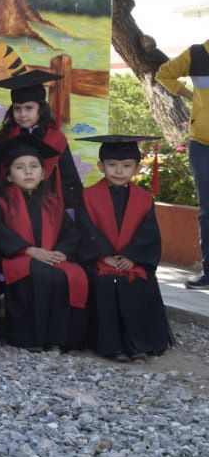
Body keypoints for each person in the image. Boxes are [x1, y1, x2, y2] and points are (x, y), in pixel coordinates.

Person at [0, 134, 88, 351]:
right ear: (9, 176)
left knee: (68, 275)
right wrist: (30, 251)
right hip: (15, 258)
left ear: (43, 174)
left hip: (50, 256)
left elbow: (69, 233)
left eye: (34, 166)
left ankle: (59, 339)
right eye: (20, 167)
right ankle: (30, 338)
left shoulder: (52, 202)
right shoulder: (0, 201)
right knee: (41, 273)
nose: (28, 171)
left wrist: (61, 252)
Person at [77, 135, 172, 361]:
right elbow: (85, 230)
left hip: (132, 262)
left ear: (137, 168)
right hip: (99, 261)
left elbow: (148, 235)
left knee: (135, 281)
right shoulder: (87, 196)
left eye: (127, 166)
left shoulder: (144, 199)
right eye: (112, 165)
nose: (119, 171)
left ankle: (137, 344)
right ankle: (110, 346)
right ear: (101, 166)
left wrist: (132, 256)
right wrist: (104, 256)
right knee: (107, 281)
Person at [0, 71, 83, 208]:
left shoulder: (56, 138)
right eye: (17, 109)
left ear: (41, 109)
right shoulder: (6, 136)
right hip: (11, 204)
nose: (22, 114)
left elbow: (68, 176)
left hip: (47, 203)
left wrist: (71, 207)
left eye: (29, 108)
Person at [156, 40, 209, 288]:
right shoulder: (197, 54)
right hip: (203, 145)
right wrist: (190, 95)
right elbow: (164, 74)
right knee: (207, 210)